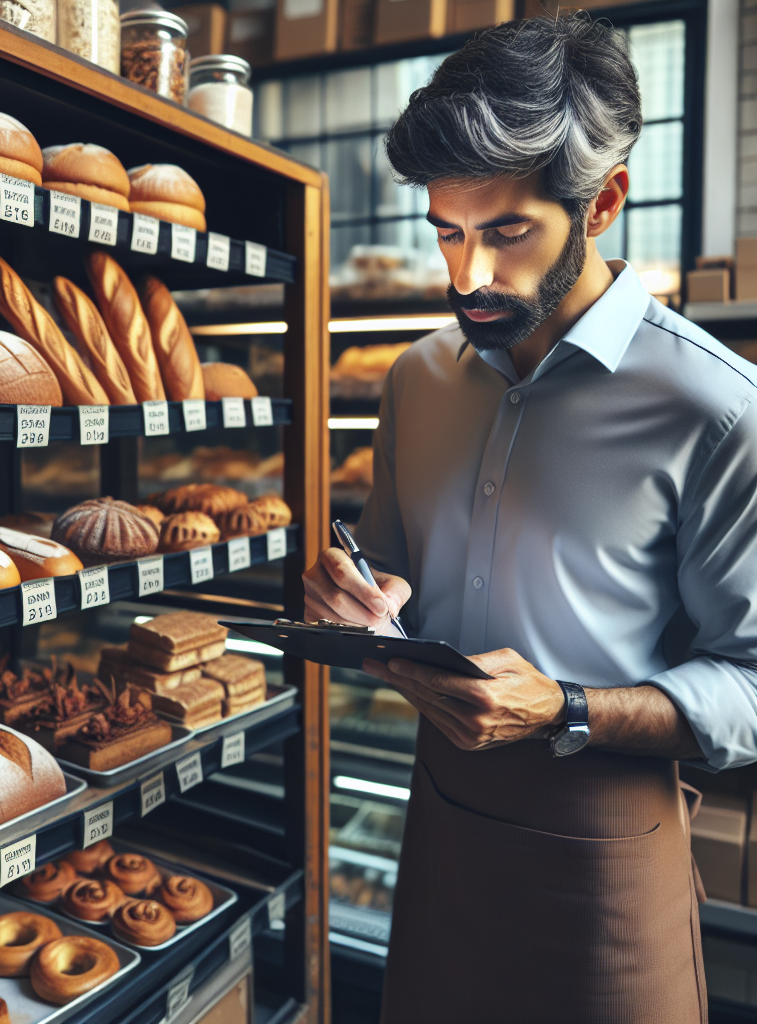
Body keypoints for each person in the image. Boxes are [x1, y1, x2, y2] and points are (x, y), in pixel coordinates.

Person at [303, 15, 756, 1023]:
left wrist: (566, 706)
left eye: (505, 232)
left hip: (606, 849)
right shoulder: (416, 379)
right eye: (446, 232)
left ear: (603, 202)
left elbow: (752, 684)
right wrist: (355, 599)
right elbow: (383, 566)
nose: (467, 275)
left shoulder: (716, 406)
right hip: (440, 825)